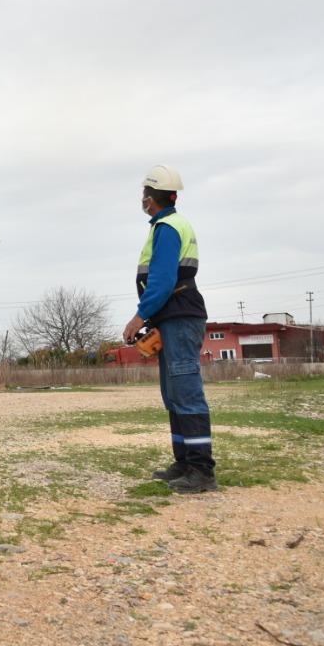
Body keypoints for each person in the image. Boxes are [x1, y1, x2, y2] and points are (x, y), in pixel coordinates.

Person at [121, 164, 216, 494]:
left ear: (151, 197)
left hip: (179, 314)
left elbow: (162, 280)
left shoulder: (167, 227)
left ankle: (202, 470)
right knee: (174, 394)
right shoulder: (169, 224)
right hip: (172, 316)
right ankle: (185, 463)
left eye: (143, 195)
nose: (142, 201)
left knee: (186, 393)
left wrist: (138, 317)